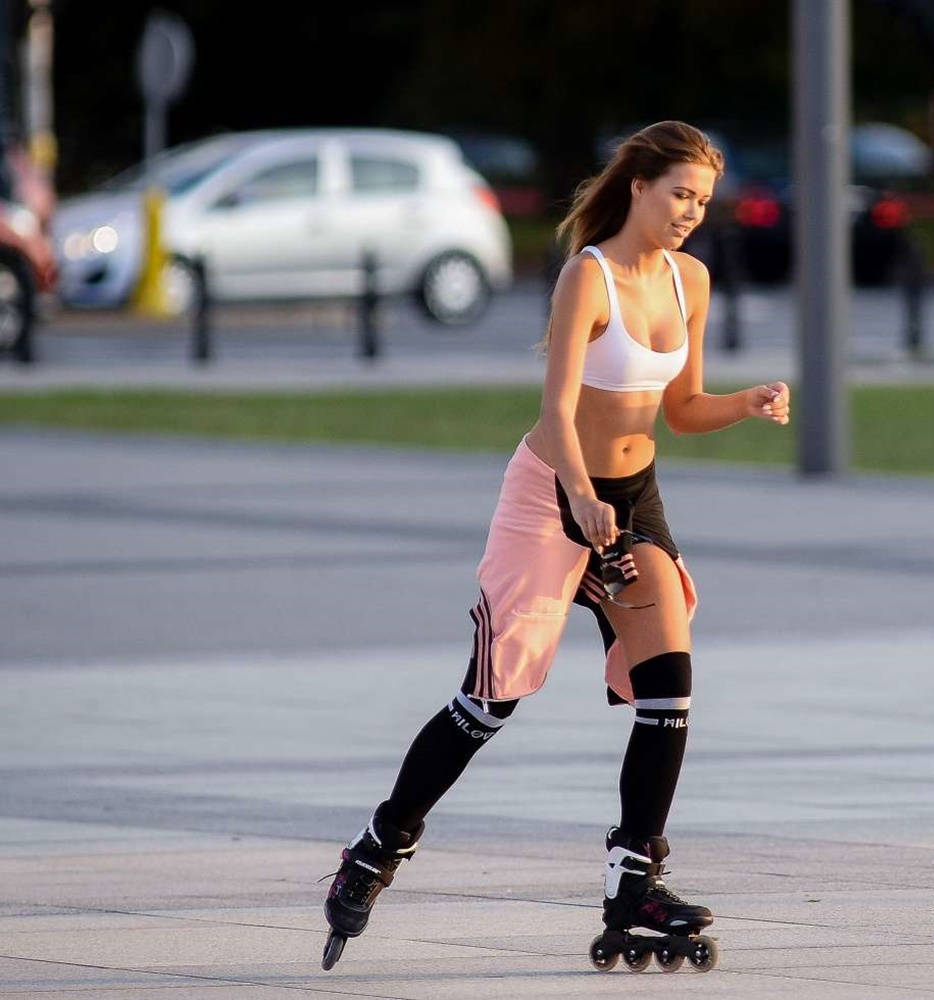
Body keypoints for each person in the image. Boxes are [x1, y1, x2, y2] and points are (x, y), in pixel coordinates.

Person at [320, 121, 791, 973]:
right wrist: (577, 493)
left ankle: (635, 881)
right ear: (639, 185)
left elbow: (680, 409)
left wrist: (746, 402)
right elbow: (556, 412)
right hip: (550, 494)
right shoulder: (590, 275)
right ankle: (379, 844)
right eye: (679, 193)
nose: (691, 212)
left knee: (670, 687)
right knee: (490, 700)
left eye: (703, 201)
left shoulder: (692, 281)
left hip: (633, 500)